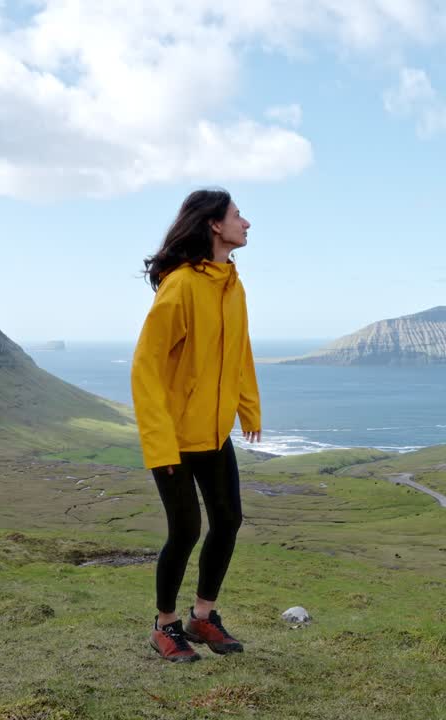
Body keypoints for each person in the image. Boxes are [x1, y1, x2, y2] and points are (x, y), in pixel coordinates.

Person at [131, 188, 262, 663]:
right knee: (184, 531)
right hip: (175, 438)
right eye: (237, 216)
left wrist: (248, 407)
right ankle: (165, 626)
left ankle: (202, 617)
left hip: (214, 433)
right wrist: (160, 445)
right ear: (213, 224)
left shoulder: (233, 284)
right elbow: (145, 367)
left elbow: (239, 351)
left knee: (228, 520)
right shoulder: (181, 285)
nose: (246, 223)